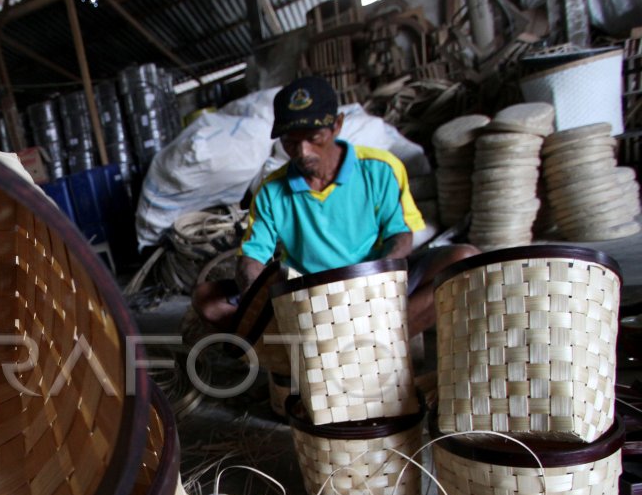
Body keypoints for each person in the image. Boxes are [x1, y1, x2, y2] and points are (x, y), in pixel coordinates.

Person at [193, 75, 478, 339]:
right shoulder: (271, 191)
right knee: (209, 301)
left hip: (375, 281)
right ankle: (317, 348)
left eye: (313, 138)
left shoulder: (380, 169)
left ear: (337, 125)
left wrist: (378, 280)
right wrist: (258, 297)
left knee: (465, 260)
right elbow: (253, 258)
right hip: (313, 297)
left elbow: (400, 236)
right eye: (291, 142)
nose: (303, 152)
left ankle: (382, 340)